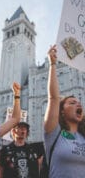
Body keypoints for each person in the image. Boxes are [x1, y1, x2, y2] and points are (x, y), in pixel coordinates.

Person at [44, 45, 85, 177]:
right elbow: (54, 98)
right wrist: (53, 64)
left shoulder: (83, 136)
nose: (78, 104)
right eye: (72, 103)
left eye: (79, 103)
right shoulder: (54, 134)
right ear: (61, 111)